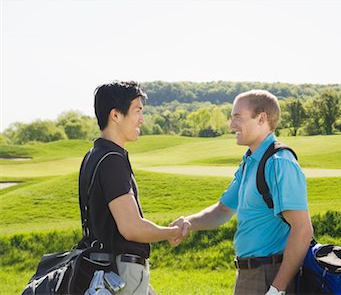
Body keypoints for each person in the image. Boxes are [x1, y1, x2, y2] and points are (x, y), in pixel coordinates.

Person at [171, 90, 314, 295]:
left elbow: (303, 230)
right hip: (250, 275)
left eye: (237, 117)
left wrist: (277, 290)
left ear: (261, 118)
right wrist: (188, 223)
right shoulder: (250, 161)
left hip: (270, 275)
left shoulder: (279, 163)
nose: (231, 126)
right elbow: (222, 210)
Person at [79, 81, 189, 295]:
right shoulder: (112, 160)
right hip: (121, 274)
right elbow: (131, 228)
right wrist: (173, 232)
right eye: (137, 111)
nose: (142, 119)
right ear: (116, 115)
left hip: (103, 270)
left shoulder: (93, 156)